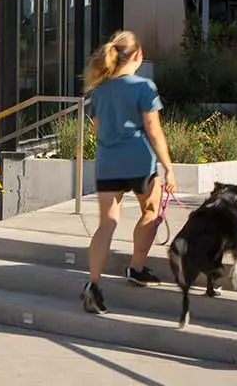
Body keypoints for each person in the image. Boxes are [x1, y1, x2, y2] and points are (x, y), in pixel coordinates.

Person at [80, 30, 177, 315]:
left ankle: (93, 285)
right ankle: (136, 267)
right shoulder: (144, 87)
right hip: (139, 161)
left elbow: (97, 129)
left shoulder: (98, 90)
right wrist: (169, 168)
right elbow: (153, 130)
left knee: (107, 224)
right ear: (138, 56)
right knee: (152, 210)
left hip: (108, 162)